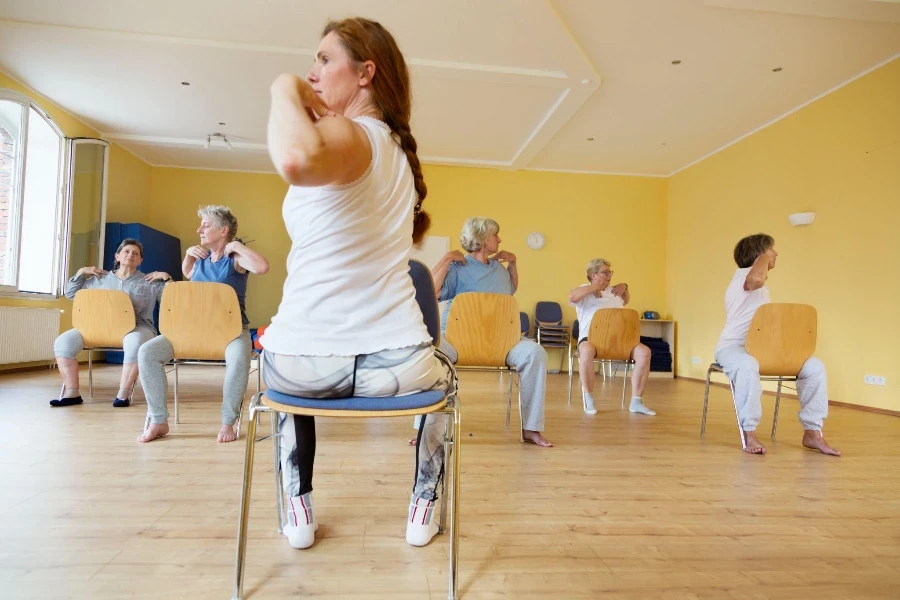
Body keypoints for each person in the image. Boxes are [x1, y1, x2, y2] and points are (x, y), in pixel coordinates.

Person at [257, 17, 456, 551]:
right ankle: (424, 505)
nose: (312, 70)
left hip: (298, 368)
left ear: (366, 72)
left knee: (278, 374)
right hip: (398, 366)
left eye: (325, 59)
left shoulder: (351, 132)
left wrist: (282, 87)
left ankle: (297, 508)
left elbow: (296, 159)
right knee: (447, 381)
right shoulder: (398, 158)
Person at [137, 206, 269, 444]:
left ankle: (228, 421)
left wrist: (237, 245)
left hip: (230, 332)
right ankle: (158, 420)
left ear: (223, 230)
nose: (199, 229)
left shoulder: (236, 258)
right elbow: (188, 274)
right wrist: (189, 253)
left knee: (240, 360)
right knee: (147, 352)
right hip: (190, 331)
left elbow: (262, 267)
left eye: (206, 225)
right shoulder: (201, 259)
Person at [429, 217, 553, 448]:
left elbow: (511, 291)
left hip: (502, 342)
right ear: (484, 239)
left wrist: (514, 263)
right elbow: (434, 293)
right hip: (457, 341)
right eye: (496, 235)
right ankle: (429, 429)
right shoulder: (458, 267)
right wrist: (446, 259)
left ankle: (531, 429)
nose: (500, 239)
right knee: (431, 351)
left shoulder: (500, 270)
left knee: (535, 353)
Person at [714, 233, 840, 456]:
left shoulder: (761, 286)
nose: (776, 254)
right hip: (733, 348)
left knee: (815, 367)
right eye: (772, 250)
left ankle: (812, 432)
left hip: (762, 349)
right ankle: (749, 431)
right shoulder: (744, 278)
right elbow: (756, 279)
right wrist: (763, 256)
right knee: (747, 366)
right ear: (760, 254)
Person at [52, 239, 171, 407]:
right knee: (63, 343)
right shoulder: (98, 278)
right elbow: (71, 294)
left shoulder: (149, 282)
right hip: (98, 327)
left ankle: (123, 394)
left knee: (135, 342)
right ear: (117, 256)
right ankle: (72, 392)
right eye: (126, 252)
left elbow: (173, 300)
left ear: (140, 260)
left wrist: (166, 278)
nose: (131, 255)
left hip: (137, 327)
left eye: (136, 253)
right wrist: (81, 272)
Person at [567, 258, 656, 416]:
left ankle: (636, 402)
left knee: (644, 352)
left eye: (610, 272)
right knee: (586, 351)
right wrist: (595, 287)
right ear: (593, 274)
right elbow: (572, 297)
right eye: (605, 272)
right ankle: (589, 399)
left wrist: (625, 286)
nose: (609, 275)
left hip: (620, 341)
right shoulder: (584, 290)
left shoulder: (614, 291)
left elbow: (626, 300)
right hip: (591, 340)